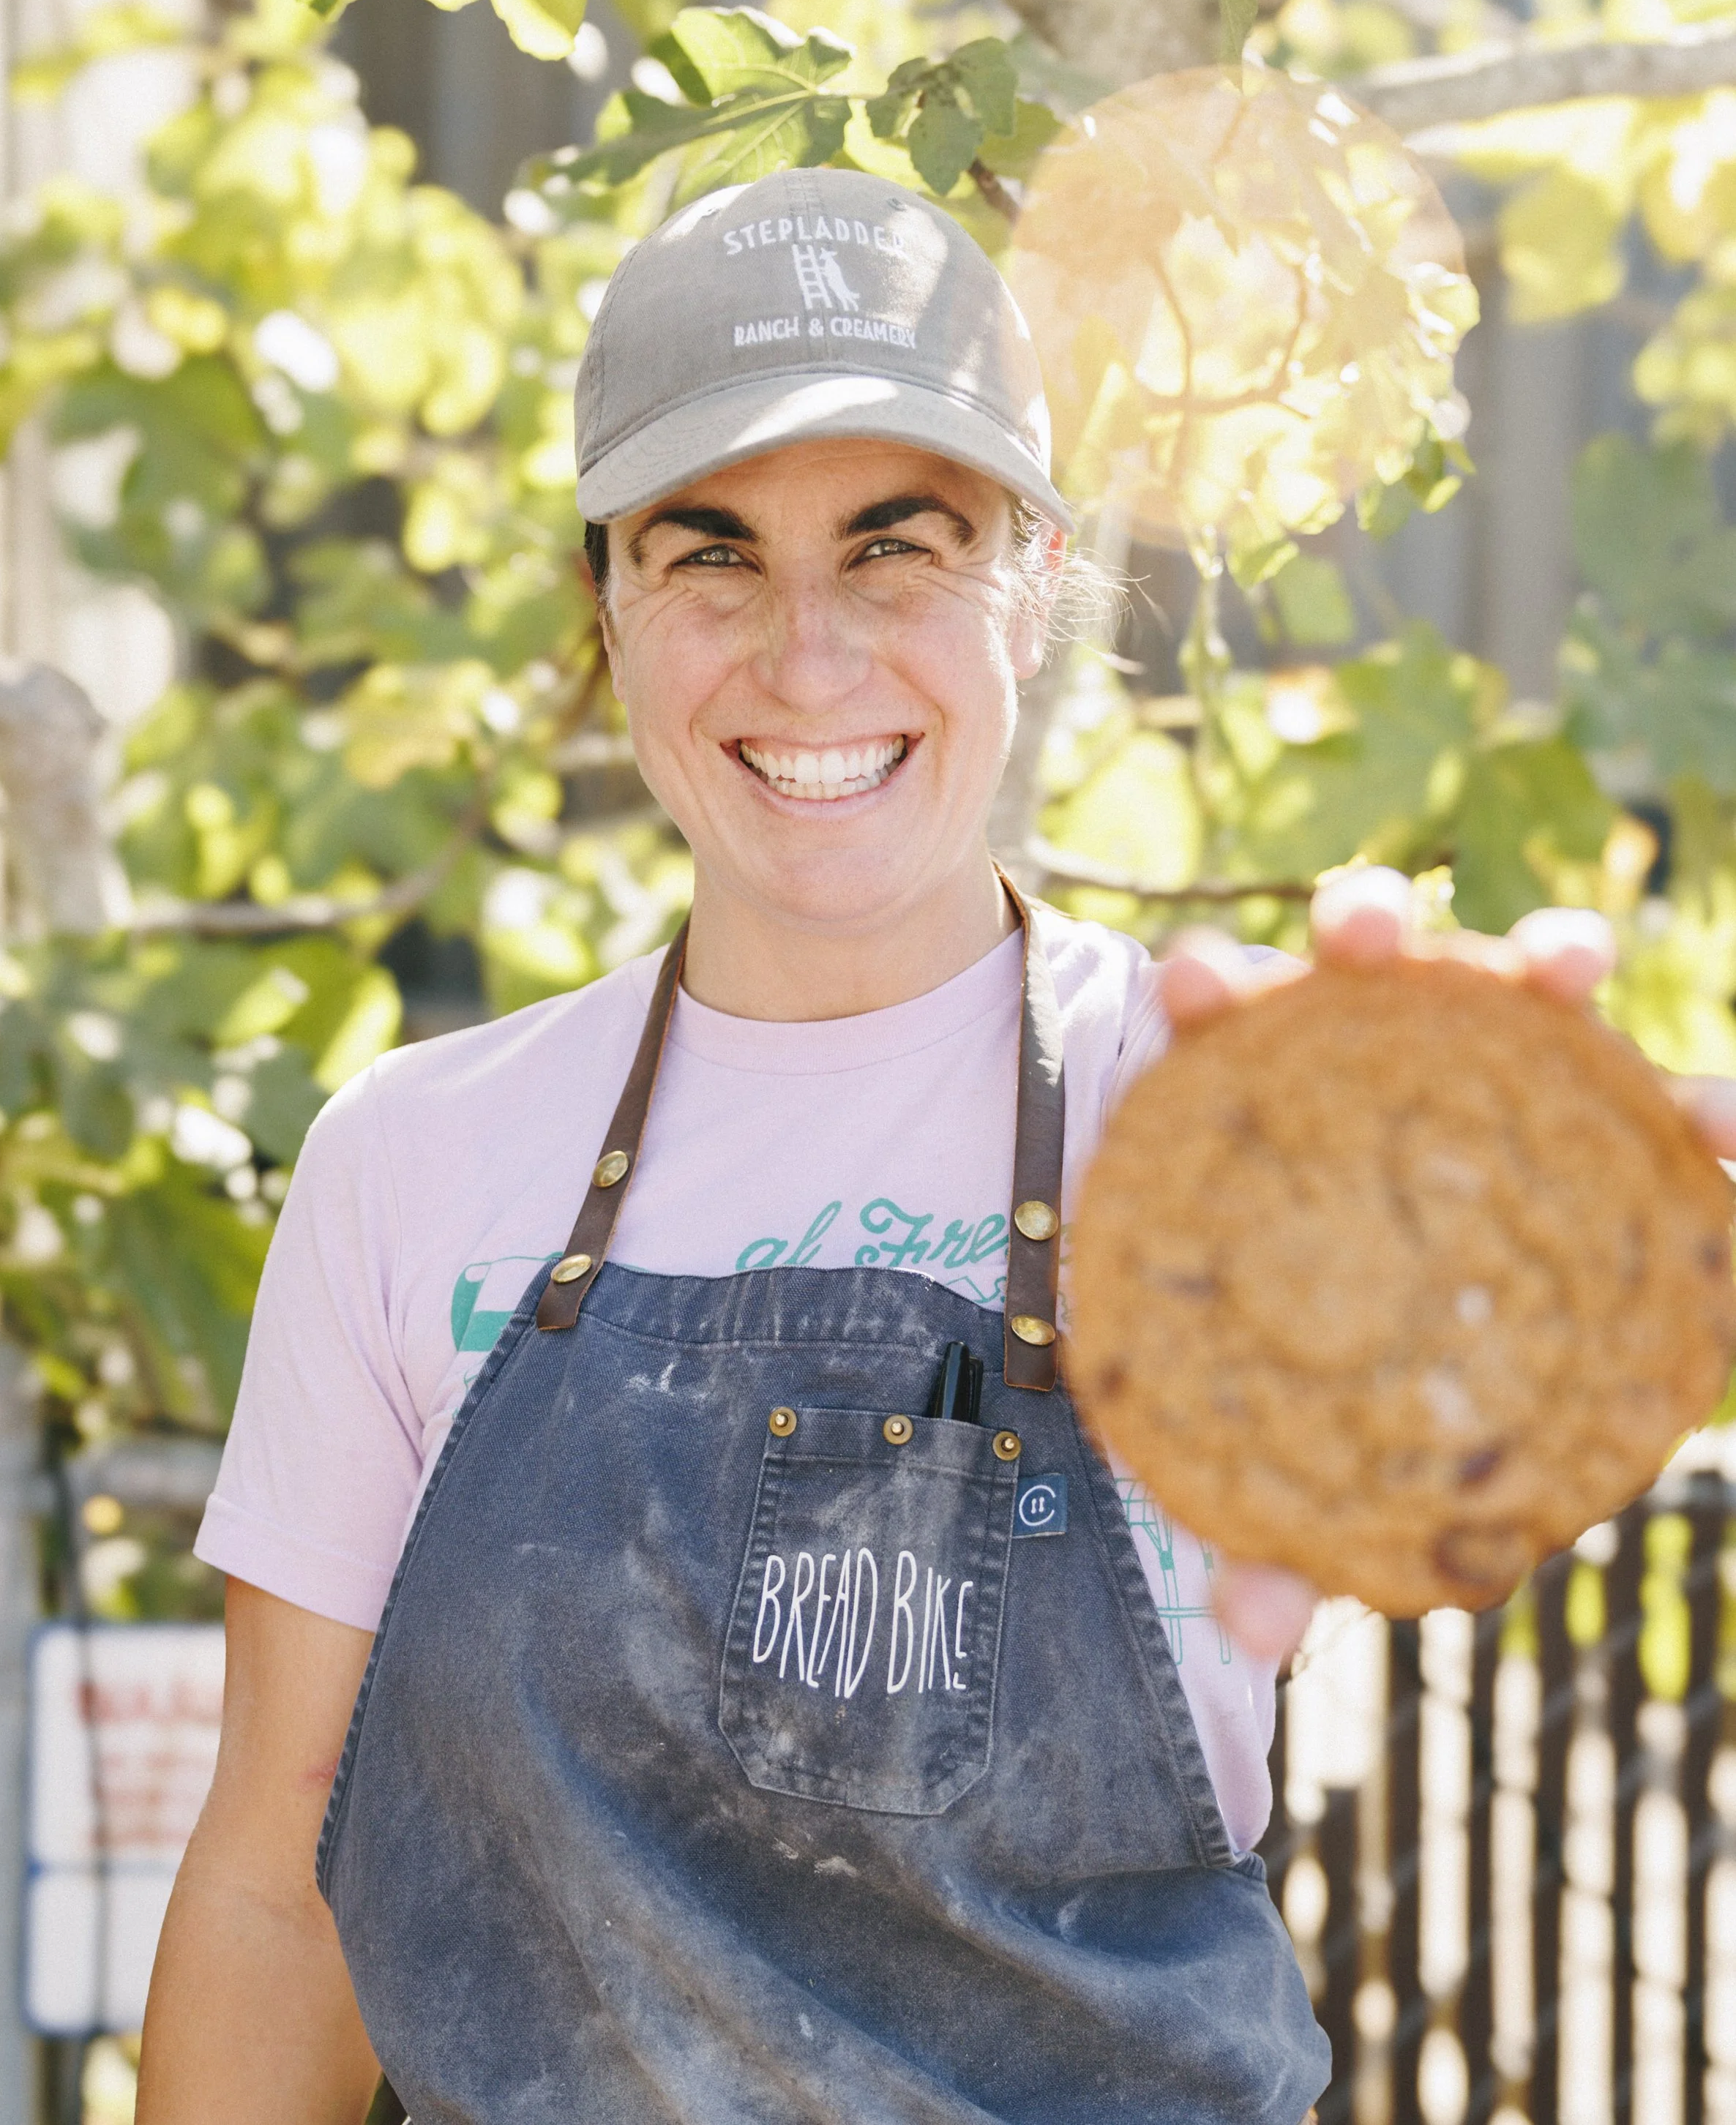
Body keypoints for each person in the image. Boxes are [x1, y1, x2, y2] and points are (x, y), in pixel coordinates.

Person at [135, 168, 1732, 2125]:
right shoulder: (417, 1161)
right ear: (606, 606)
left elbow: (1542, 1358)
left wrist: (1599, 1247)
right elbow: (276, 1875)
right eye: (706, 555)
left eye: (898, 547)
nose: (806, 660)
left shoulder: (1232, 1128)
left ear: (1037, 579)